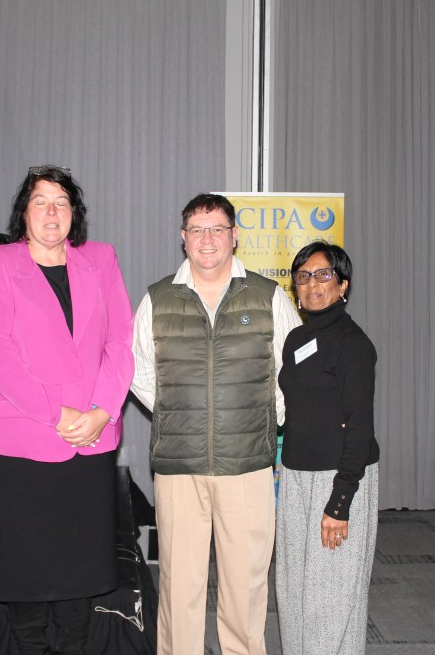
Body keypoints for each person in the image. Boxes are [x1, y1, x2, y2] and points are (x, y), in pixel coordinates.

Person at [0, 165, 135, 654]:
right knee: (28, 580)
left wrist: (102, 410)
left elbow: (122, 340)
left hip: (89, 441)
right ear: (24, 213)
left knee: (80, 577)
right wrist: (57, 414)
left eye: (61, 202)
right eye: (40, 201)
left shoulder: (100, 259)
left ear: (74, 213)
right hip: (18, 447)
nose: (51, 211)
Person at [130, 193, 301, 655]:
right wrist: (176, 412)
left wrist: (265, 417)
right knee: (178, 586)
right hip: (178, 467)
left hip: (246, 467)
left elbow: (291, 373)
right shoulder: (157, 298)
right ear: (183, 238)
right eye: (198, 230)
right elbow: (139, 372)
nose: (208, 239)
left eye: (217, 229)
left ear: (234, 236)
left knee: (245, 589)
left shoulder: (268, 297)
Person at [275, 241, 379, 655]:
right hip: (296, 475)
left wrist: (340, 502)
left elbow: (360, 426)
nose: (312, 285)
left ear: (343, 284)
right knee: (294, 590)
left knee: (331, 596)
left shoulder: (353, 343)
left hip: (339, 477)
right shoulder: (296, 339)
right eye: (302, 276)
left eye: (323, 275)